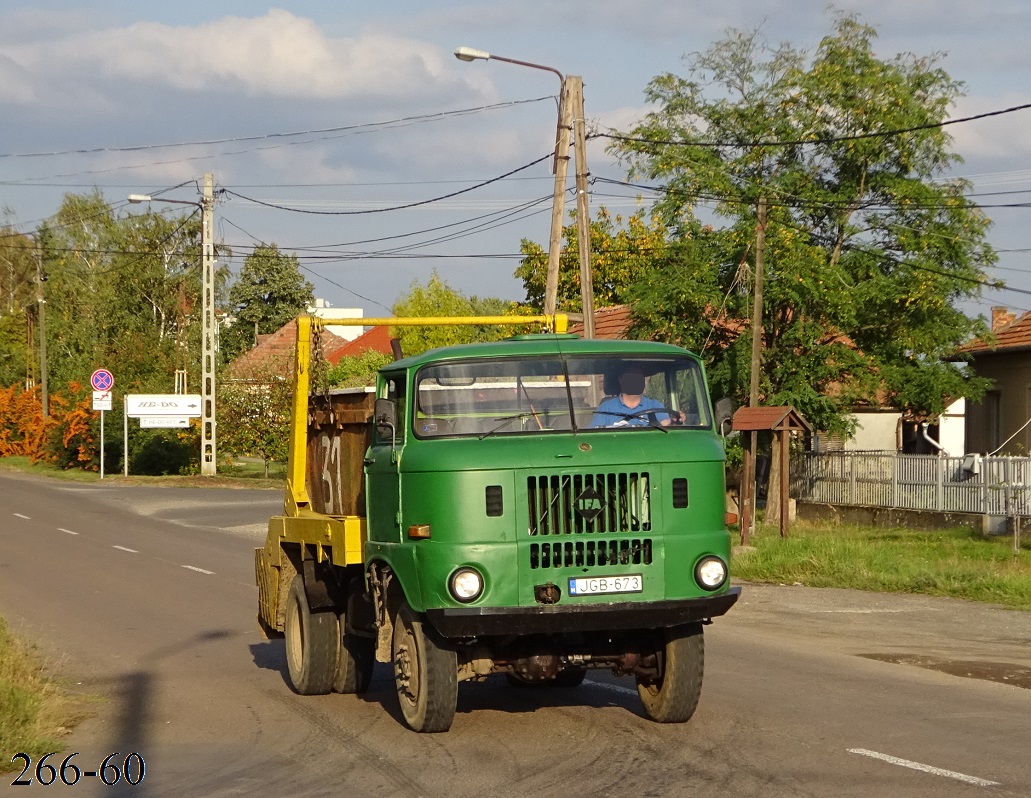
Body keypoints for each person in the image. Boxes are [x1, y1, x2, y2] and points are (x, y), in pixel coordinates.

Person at [589, 367, 683, 428]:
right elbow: (595, 438)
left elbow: (666, 430)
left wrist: (675, 421)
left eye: (639, 377)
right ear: (621, 380)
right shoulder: (605, 409)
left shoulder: (655, 406)